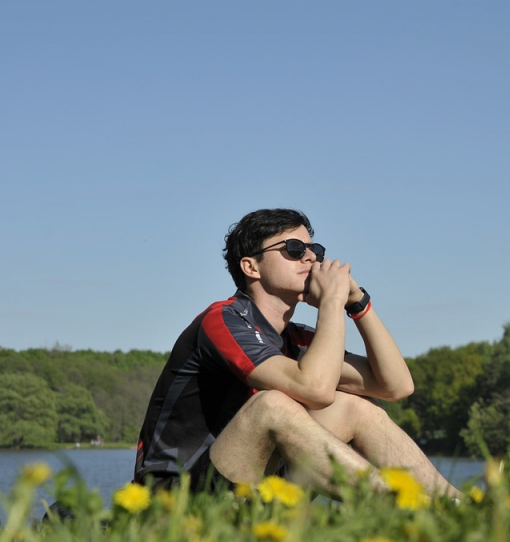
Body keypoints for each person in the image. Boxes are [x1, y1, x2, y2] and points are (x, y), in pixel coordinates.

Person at [134, 208, 460, 499]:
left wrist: (357, 302)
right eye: (293, 249)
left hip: (244, 487)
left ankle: (455, 506)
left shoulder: (299, 339)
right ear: (251, 267)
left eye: (314, 250)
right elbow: (314, 390)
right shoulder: (223, 321)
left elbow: (396, 386)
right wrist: (332, 301)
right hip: (173, 499)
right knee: (273, 405)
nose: (311, 259)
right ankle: (405, 503)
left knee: (356, 407)